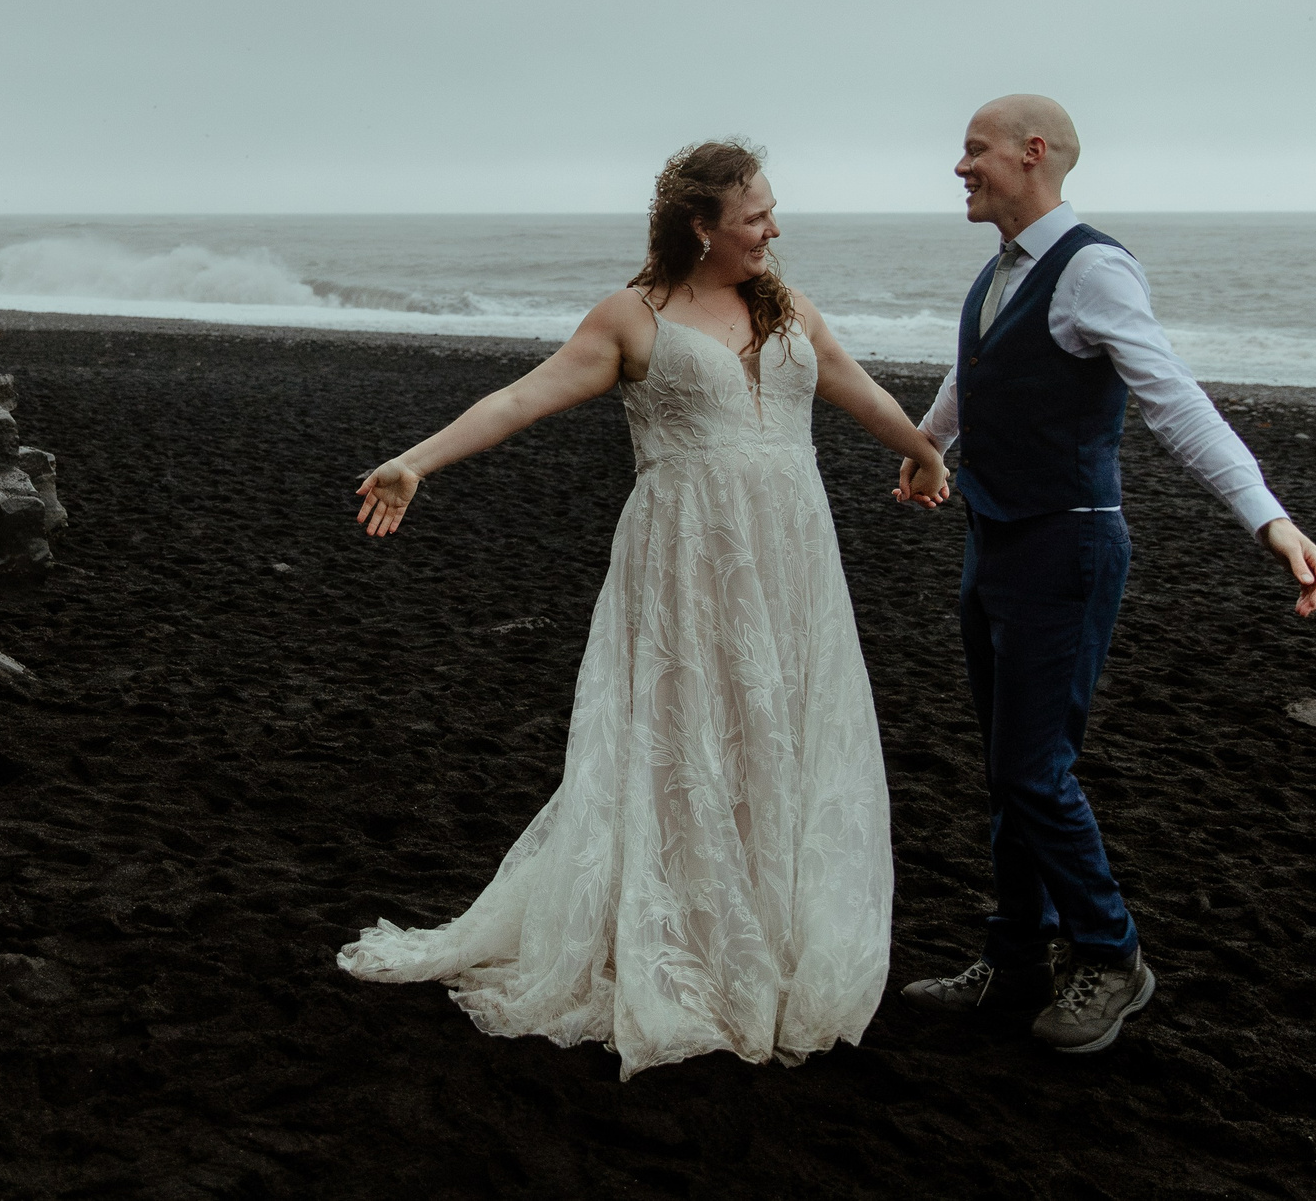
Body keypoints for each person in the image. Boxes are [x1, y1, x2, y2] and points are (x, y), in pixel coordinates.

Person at [335, 140, 950, 1077]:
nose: (774, 230)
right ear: (701, 227)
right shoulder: (635, 317)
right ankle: (685, 937)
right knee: (689, 732)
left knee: (778, 729)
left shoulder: (782, 305)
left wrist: (922, 447)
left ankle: (772, 932)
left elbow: (851, 383)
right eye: (755, 218)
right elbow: (522, 396)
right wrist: (418, 459)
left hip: (791, 559)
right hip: (687, 560)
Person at [895, 94, 1316, 1055]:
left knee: (1034, 769)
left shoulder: (1093, 268)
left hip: (1069, 548)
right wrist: (930, 442)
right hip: (995, 540)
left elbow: (1174, 400)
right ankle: (1012, 960)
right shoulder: (999, 273)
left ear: (1032, 153)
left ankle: (1112, 953)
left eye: (974, 151)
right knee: (1011, 773)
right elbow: (977, 374)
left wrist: (1268, 518)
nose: (959, 167)